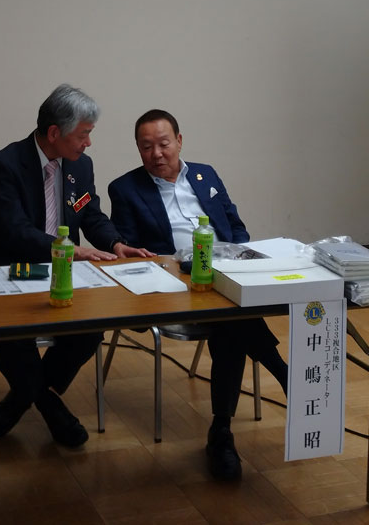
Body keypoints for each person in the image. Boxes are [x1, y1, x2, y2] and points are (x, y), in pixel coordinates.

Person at [108, 108, 289, 481]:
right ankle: (276, 382)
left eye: (163, 143)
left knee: (230, 313)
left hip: (226, 275)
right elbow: (131, 252)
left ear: (179, 141)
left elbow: (235, 227)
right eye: (146, 147)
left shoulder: (206, 175)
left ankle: (222, 431)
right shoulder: (125, 189)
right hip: (174, 286)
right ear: (138, 149)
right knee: (231, 318)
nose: (156, 153)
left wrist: (240, 258)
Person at [0, 83, 154, 447]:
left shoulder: (80, 166)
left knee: (89, 330)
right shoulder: (4, 166)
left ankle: (22, 397)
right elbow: (13, 231)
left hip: (63, 274)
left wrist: (116, 243)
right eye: (83, 134)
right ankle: (48, 405)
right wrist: (70, 250)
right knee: (14, 340)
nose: (88, 143)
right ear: (54, 133)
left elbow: (90, 214)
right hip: (12, 272)